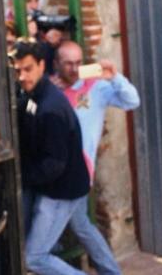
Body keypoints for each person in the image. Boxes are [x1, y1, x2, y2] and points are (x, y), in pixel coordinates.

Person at [13, 40, 113, 275]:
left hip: (61, 191)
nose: (22, 76)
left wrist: (22, 177)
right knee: (46, 245)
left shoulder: (50, 108)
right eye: (18, 70)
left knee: (35, 256)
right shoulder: (34, 94)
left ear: (43, 66)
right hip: (53, 187)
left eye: (28, 69)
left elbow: (53, 164)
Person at [54, 40, 140, 177]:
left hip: (80, 171)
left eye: (78, 63)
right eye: (68, 64)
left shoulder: (95, 87)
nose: (74, 69)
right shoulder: (50, 88)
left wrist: (115, 77)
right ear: (56, 64)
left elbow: (132, 101)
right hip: (51, 169)